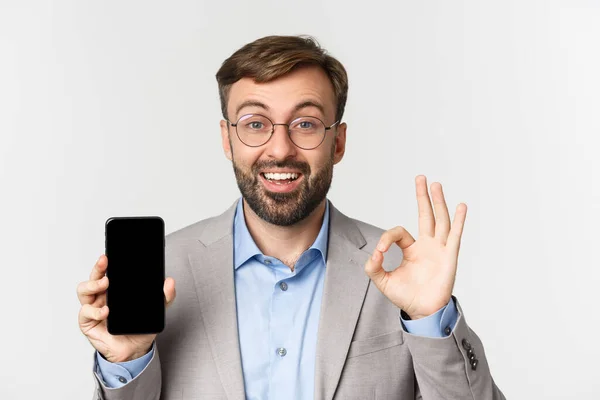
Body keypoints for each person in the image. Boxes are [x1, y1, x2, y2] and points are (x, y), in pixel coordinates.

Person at [77, 35, 505, 400]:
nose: (280, 149)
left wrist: (432, 321)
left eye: (305, 123)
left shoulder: (399, 272)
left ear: (337, 142)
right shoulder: (160, 275)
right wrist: (127, 363)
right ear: (227, 139)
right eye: (255, 123)